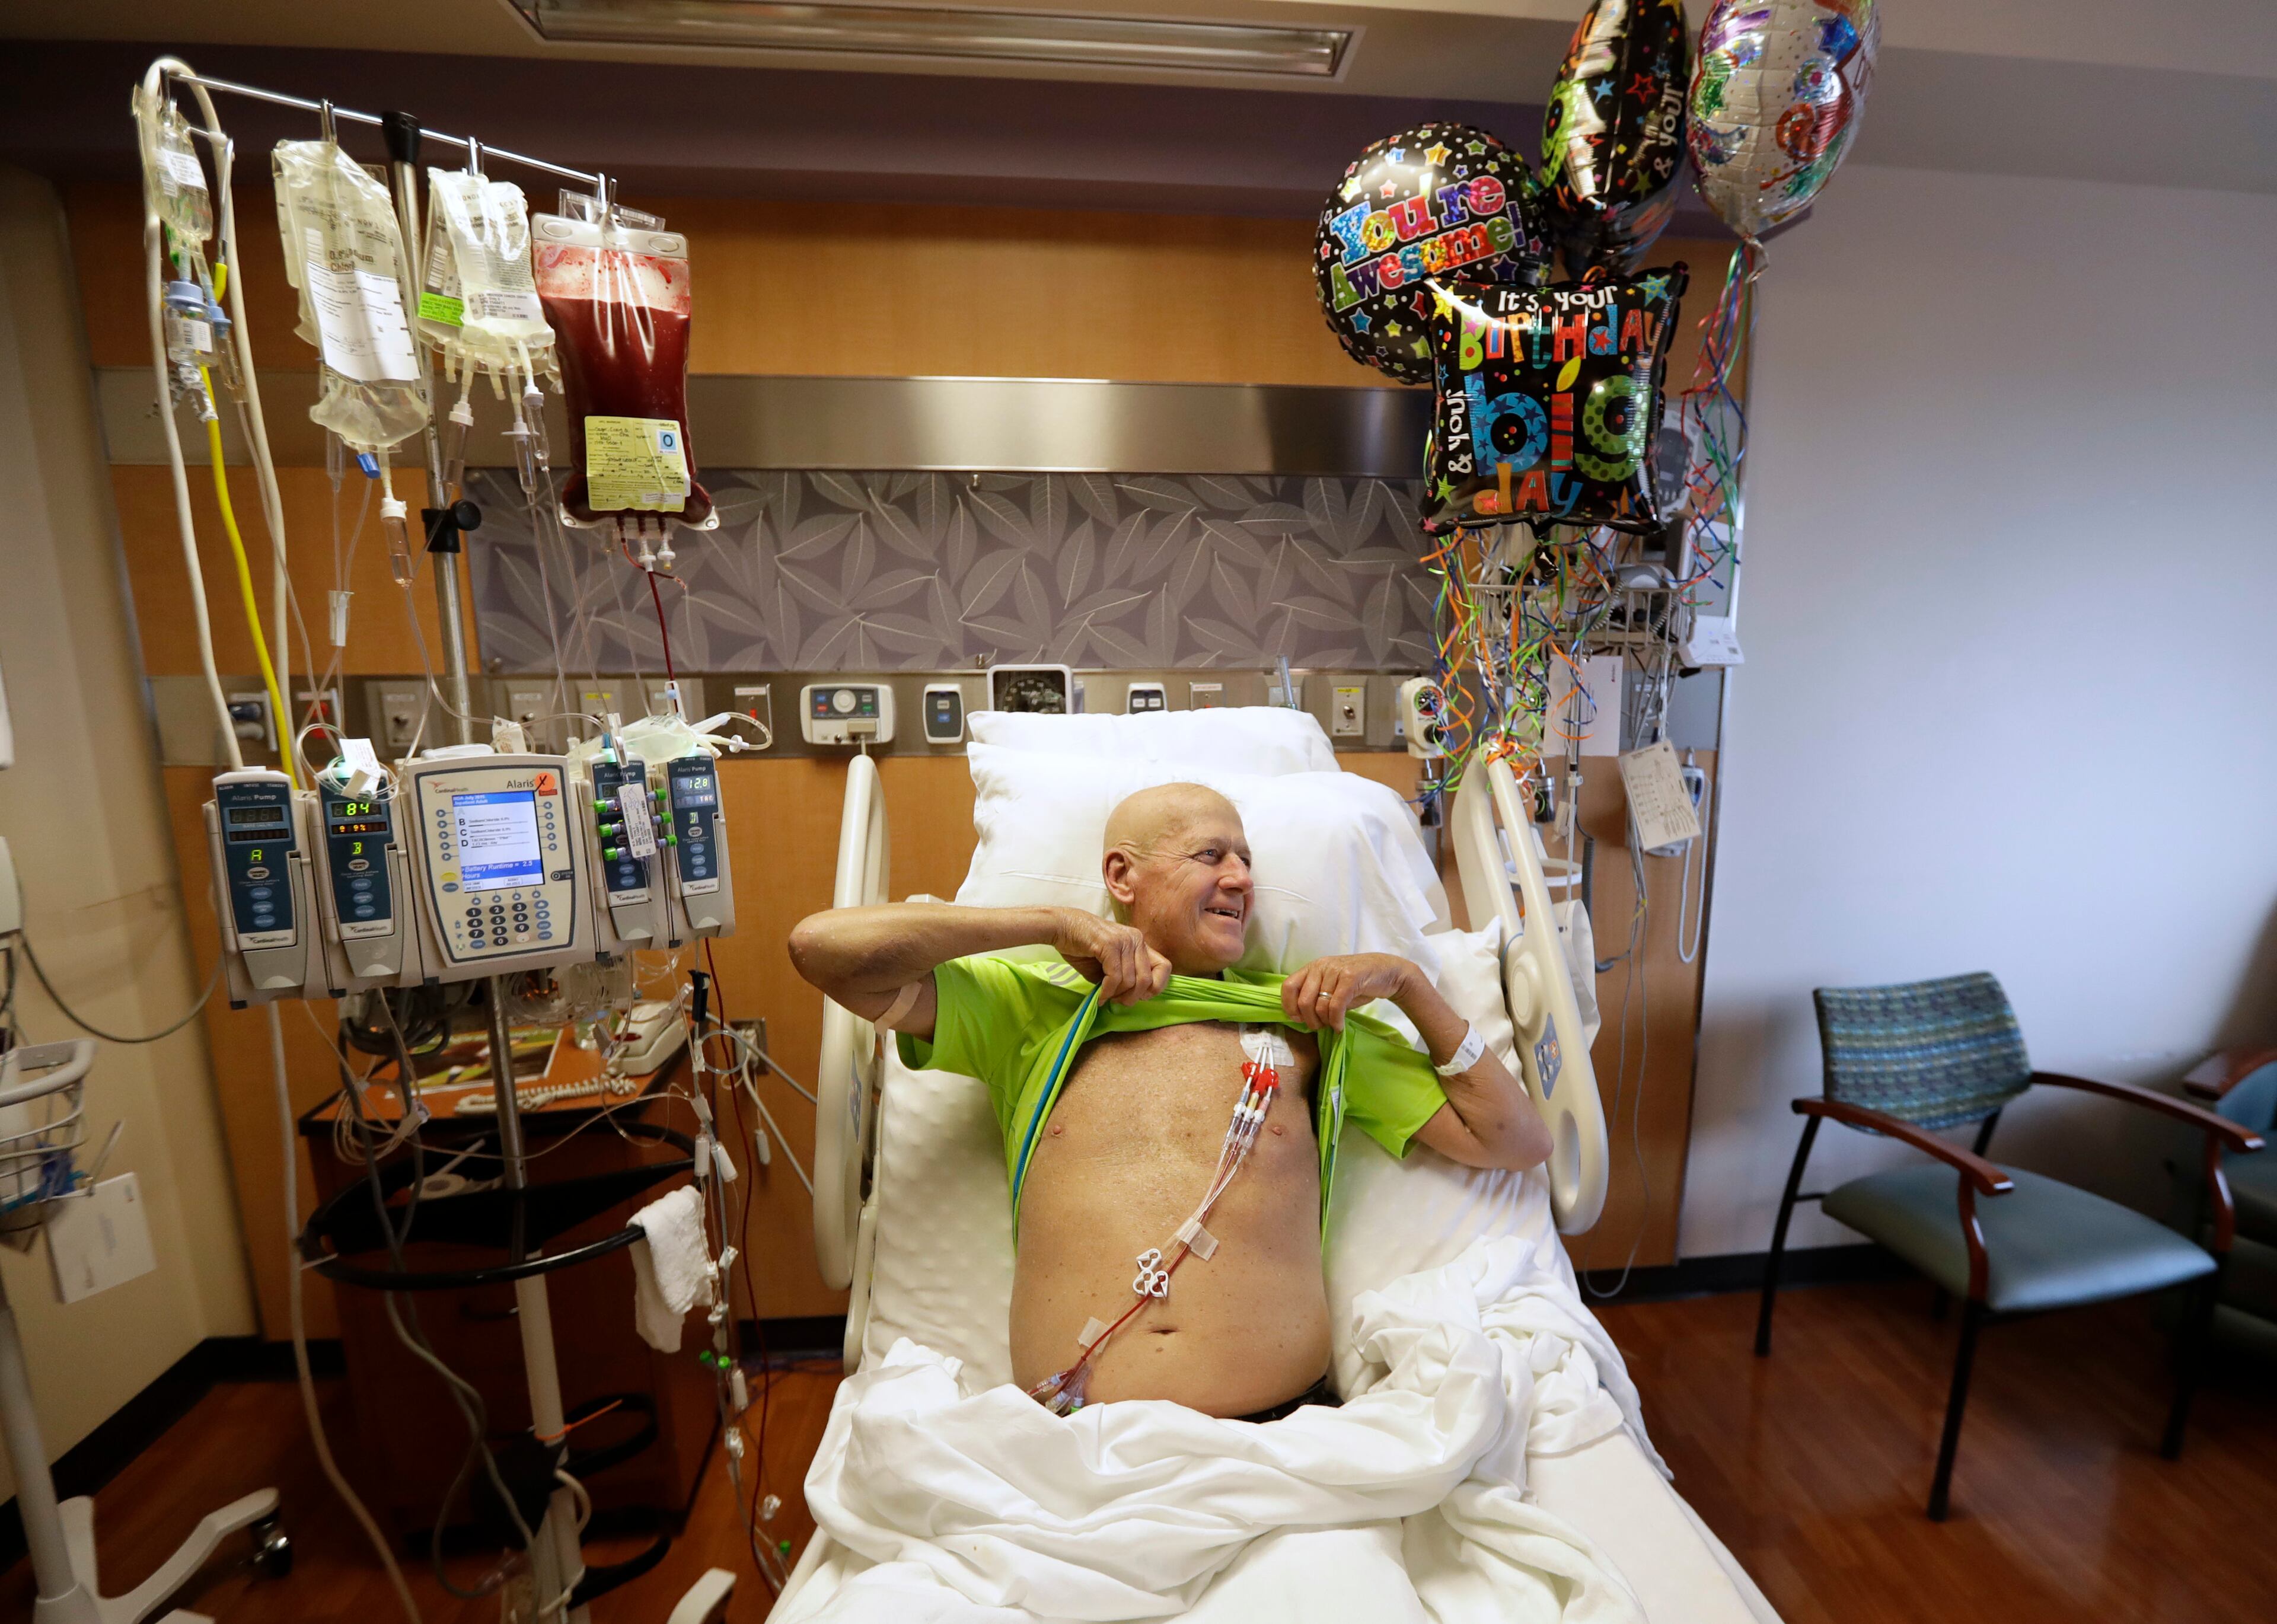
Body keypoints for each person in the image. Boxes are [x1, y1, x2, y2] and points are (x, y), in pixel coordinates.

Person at [789, 782, 1551, 1421]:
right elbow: (821, 949)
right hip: (1068, 1442)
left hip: (1285, 1437)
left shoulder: (1307, 1023)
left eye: (1247, 861)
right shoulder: (1035, 1007)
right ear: (1121, 877)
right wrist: (1051, 925)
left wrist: (1409, 986)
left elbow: (1515, 1140)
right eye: (1211, 855)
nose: (1242, 879)